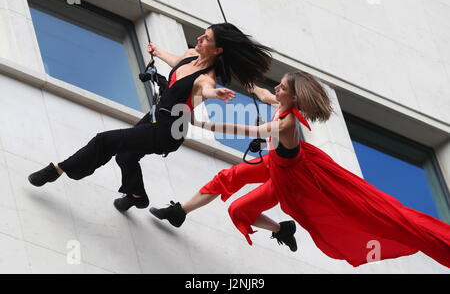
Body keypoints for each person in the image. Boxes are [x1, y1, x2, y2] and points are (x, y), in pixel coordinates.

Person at [150, 71, 450, 268]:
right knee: (227, 177)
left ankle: (283, 228)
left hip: (291, 179)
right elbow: (261, 92)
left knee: (238, 211)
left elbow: (246, 129)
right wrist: (239, 75)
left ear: (292, 97)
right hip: (276, 165)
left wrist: (200, 123)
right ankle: (180, 213)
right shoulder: (280, 103)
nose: (276, 87)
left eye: (281, 86)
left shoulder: (286, 124)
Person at [28, 23, 273, 212]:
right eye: (202, 34)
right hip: (156, 115)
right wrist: (158, 51)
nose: (199, 39)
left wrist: (215, 93)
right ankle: (137, 196)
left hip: (168, 131)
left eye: (206, 38)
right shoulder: (190, 54)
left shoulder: (206, 79)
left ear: (218, 50)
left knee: (105, 141)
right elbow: (177, 63)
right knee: (125, 155)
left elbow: (205, 89)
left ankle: (58, 170)